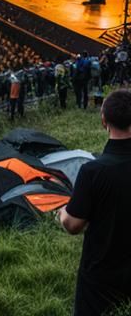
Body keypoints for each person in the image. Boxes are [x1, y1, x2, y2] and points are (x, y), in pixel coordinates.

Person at [60, 89, 131, 316]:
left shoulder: (93, 171)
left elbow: (73, 225)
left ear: (104, 121)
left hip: (100, 278)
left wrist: (62, 212)